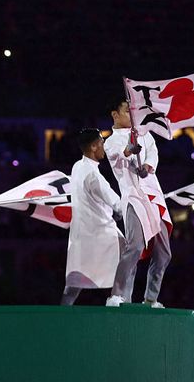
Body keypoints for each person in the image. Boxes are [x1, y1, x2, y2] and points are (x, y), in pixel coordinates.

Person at [104, 97, 172, 308]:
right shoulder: (110, 141)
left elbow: (153, 152)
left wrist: (149, 166)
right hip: (133, 197)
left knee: (164, 253)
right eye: (127, 112)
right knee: (134, 247)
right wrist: (129, 150)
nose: (132, 117)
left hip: (154, 196)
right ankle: (117, 295)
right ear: (115, 115)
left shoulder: (144, 133)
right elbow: (118, 155)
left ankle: (151, 298)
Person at [61, 128, 124, 305]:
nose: (105, 147)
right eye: (102, 143)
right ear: (94, 146)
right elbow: (116, 203)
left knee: (76, 278)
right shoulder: (94, 175)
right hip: (100, 231)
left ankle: (62, 315)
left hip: (81, 232)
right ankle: (118, 300)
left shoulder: (77, 167)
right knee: (128, 253)